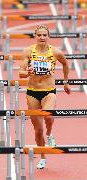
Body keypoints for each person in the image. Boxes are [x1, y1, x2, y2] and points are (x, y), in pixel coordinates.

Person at [19, 25, 71, 169]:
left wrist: (66, 83)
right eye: (39, 35)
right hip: (32, 92)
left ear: (48, 37)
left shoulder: (55, 52)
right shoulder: (28, 51)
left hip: (49, 90)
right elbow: (21, 73)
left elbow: (66, 64)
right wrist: (28, 72)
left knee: (48, 116)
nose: (42, 37)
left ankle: (50, 134)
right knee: (37, 130)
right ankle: (42, 156)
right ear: (35, 36)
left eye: (44, 35)